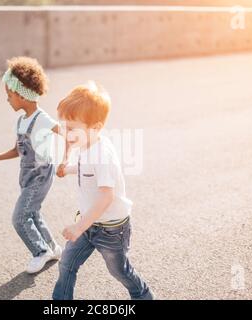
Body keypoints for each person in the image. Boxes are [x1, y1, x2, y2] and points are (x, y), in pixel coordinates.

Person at [52, 81, 154, 300]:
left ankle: (143, 295)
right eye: (65, 127)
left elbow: (106, 196)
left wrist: (79, 226)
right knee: (67, 263)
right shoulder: (87, 144)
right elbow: (85, 169)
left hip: (111, 230)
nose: (67, 134)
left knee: (119, 270)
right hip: (89, 224)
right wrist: (68, 169)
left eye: (71, 128)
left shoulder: (102, 155)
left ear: (95, 127)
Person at [0, 56, 61, 274]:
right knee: (33, 213)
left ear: (22, 94)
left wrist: (72, 154)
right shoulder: (21, 120)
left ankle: (40, 252)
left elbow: (64, 132)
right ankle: (52, 248)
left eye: (10, 95)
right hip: (27, 177)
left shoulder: (41, 118)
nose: (8, 100)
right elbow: (17, 150)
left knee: (19, 217)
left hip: (41, 175)